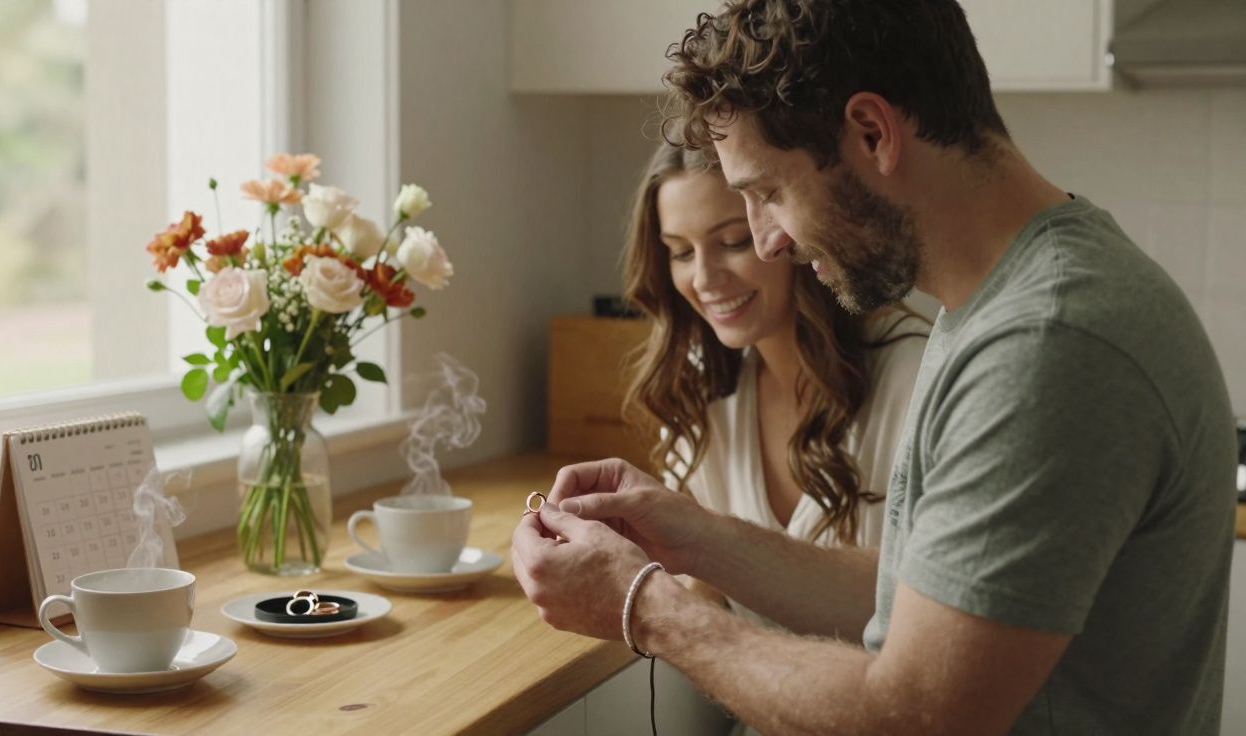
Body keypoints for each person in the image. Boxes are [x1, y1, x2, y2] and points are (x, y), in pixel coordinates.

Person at [512, 1, 1238, 734]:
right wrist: (693, 536)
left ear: (871, 132)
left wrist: (646, 606)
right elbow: (918, 603)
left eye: (767, 193)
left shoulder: (1048, 343)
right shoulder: (995, 303)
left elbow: (914, 716)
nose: (768, 242)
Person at [621, 141, 927, 634]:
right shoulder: (705, 392)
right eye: (679, 252)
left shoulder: (913, 381)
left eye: (734, 241)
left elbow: (929, 613)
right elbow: (706, 593)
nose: (703, 278)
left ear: (788, 235)